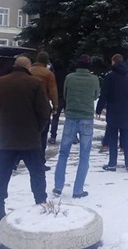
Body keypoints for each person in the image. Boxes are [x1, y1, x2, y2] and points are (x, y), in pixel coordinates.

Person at [0, 56, 51, 231]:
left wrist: (1, 125)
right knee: (37, 174)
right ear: (28, 67)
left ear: (15, 66)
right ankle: (41, 207)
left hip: (7, 140)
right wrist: (37, 129)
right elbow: (45, 112)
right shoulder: (35, 83)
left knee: (3, 175)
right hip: (31, 140)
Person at [53, 54, 100, 199]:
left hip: (71, 117)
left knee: (63, 153)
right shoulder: (94, 79)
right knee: (84, 156)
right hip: (86, 118)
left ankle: (58, 187)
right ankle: (78, 190)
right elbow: (95, 95)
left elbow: (66, 95)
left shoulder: (69, 78)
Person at [96, 54, 128, 172]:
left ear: (114, 62)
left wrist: (99, 110)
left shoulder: (110, 77)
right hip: (125, 111)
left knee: (112, 137)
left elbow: (104, 95)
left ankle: (112, 164)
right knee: (126, 136)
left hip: (113, 111)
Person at [29, 51, 58, 171]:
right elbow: (53, 91)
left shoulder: (29, 71)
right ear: (46, 61)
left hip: (28, 106)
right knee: (42, 135)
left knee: (27, 134)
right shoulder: (48, 74)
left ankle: (18, 160)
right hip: (43, 106)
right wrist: (55, 105)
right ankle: (40, 161)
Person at [48, 59, 68, 145]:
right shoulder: (67, 74)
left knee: (55, 118)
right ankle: (74, 136)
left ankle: (53, 136)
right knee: (70, 118)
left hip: (58, 97)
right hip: (67, 97)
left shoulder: (53, 75)